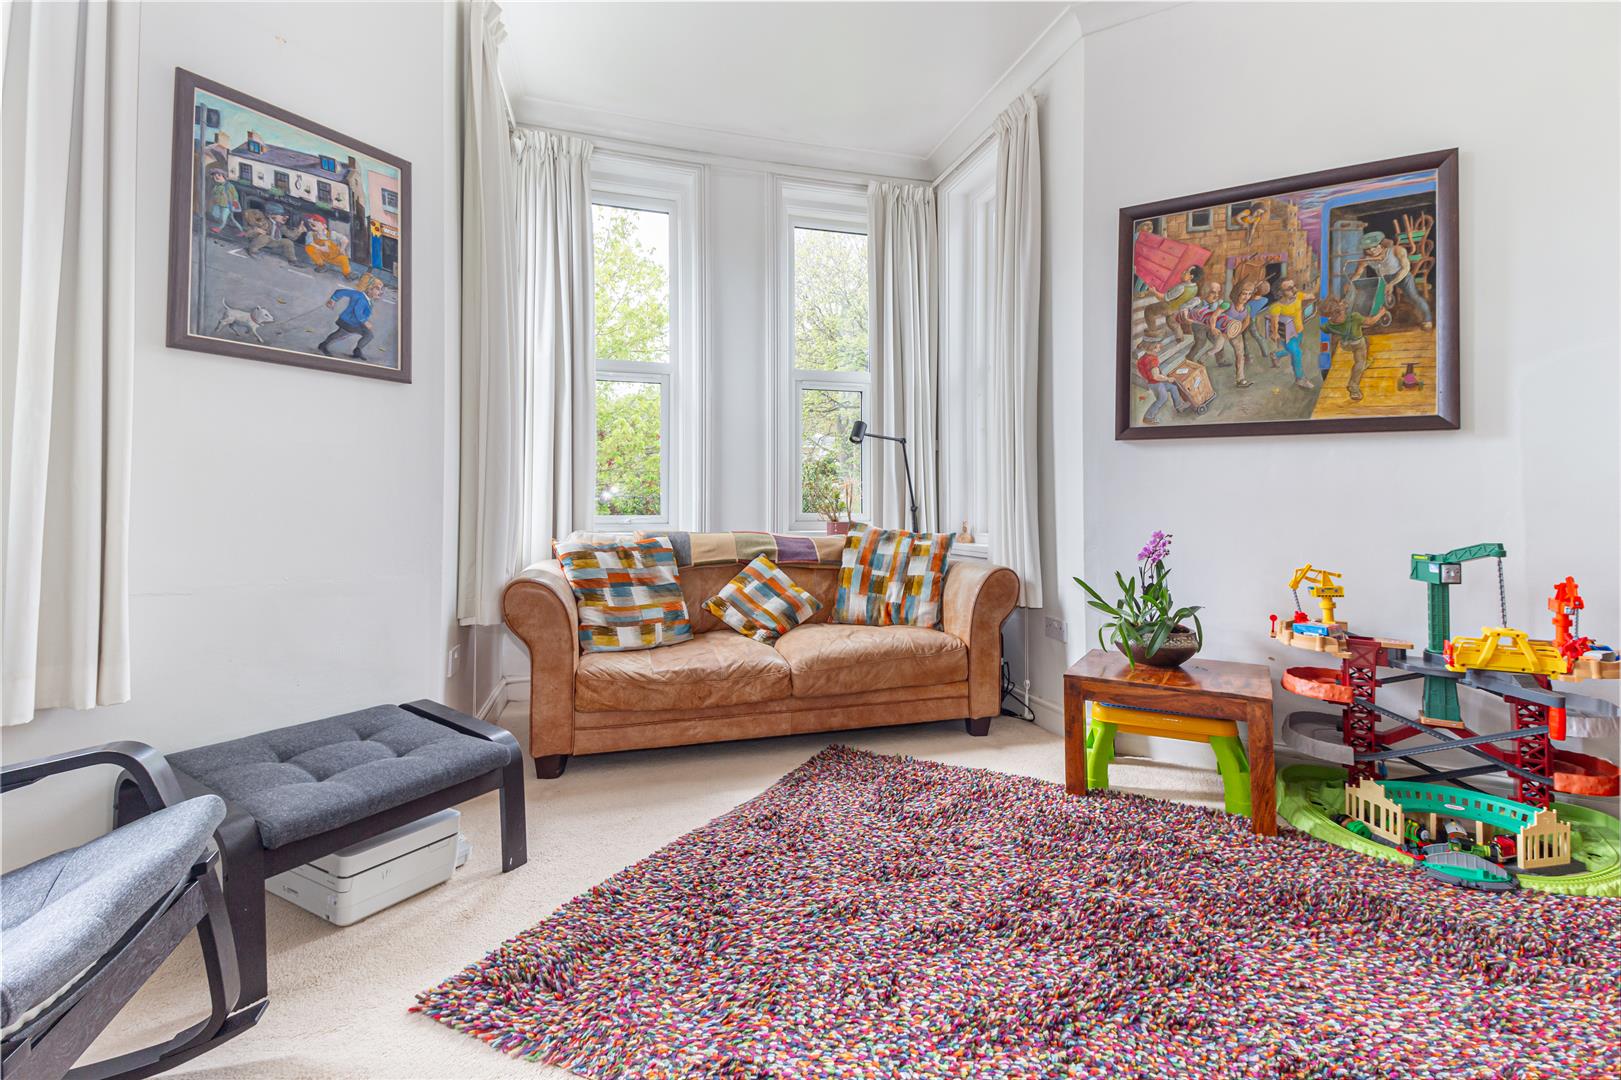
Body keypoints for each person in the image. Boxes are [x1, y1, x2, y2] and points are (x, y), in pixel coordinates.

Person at [1346, 230, 1433, 330]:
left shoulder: (1397, 250)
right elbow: (1357, 274)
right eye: (1368, 249)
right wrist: (1350, 283)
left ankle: (1427, 319)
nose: (1372, 251)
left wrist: (1392, 283)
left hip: (1402, 277)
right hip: (1385, 279)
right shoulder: (1366, 259)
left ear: (1382, 244)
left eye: (1375, 247)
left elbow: (1405, 269)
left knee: (1413, 296)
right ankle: (1373, 319)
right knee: (1375, 298)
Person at [1318, 283, 1385, 403]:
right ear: (1340, 310)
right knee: (1359, 362)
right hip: (1357, 344)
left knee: (1366, 340)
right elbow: (1370, 322)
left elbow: (1324, 328)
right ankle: (1353, 387)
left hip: (1345, 345)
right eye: (1340, 304)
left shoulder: (1329, 324)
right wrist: (1381, 313)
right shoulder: (1354, 317)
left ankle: (1364, 362)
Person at [1266, 276, 1317, 390]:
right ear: (1280, 292)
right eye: (1289, 288)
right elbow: (1274, 323)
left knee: (1293, 351)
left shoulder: (1298, 296)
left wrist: (1313, 294)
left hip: (1299, 331)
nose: (1294, 290)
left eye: (1294, 286)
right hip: (1287, 335)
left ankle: (1276, 355)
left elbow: (1311, 296)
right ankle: (1300, 379)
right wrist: (1275, 334)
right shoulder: (1276, 307)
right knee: (1297, 353)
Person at [317, 278, 386, 361]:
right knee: (341, 334)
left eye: (381, 289)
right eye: (378, 289)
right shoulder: (361, 298)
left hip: (355, 322)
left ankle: (357, 350)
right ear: (369, 289)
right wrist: (365, 321)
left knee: (367, 334)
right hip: (348, 322)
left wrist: (333, 299)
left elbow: (340, 292)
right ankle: (323, 345)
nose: (381, 292)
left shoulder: (362, 297)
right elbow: (357, 311)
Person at [1142, 264, 1203, 340]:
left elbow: (1164, 298)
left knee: (1149, 310)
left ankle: (1153, 332)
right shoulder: (1195, 287)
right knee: (1171, 322)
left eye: (1186, 271)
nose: (1183, 272)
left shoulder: (1181, 287)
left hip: (1168, 306)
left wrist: (1154, 292)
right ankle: (1179, 336)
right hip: (1177, 309)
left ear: (1191, 277)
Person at [1136, 344, 1188, 425]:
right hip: (1155, 383)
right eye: (1158, 347)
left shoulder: (1143, 358)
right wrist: (1167, 379)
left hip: (1152, 382)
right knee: (1162, 398)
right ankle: (1148, 417)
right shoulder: (1152, 360)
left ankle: (1179, 407)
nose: (1160, 349)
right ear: (1152, 348)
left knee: (1173, 388)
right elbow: (1156, 376)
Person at [241, 202, 306, 262]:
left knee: (288, 242)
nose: (285, 217)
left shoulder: (281, 226)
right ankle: (252, 250)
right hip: (257, 239)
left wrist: (299, 230)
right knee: (266, 237)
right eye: (281, 215)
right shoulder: (263, 221)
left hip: (272, 241)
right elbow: (247, 215)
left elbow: (292, 236)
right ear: (272, 215)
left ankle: (293, 260)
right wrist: (256, 229)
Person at [205, 167, 240, 234]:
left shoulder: (229, 185)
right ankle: (241, 231)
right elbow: (214, 193)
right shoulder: (217, 186)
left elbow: (235, 195)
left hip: (227, 205)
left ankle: (219, 228)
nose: (216, 177)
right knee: (231, 219)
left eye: (219, 175)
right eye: (215, 176)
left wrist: (234, 205)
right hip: (219, 204)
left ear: (224, 176)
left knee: (223, 219)